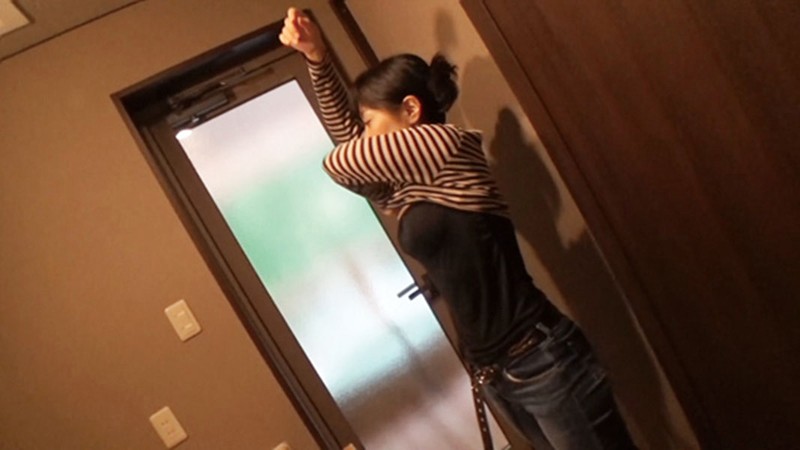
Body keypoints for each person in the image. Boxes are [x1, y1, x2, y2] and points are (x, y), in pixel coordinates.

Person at [280, 7, 638, 450]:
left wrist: (327, 78)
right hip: (500, 370)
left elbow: (340, 161)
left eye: (370, 124)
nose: (364, 137)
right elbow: (352, 149)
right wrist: (317, 59)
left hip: (541, 360)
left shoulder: (447, 148)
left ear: (411, 109)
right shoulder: (416, 183)